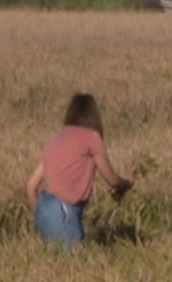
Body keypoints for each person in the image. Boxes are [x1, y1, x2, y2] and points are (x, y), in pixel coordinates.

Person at [25, 94, 134, 248]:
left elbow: (31, 186)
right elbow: (111, 179)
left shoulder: (57, 138)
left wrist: (40, 216)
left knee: (61, 258)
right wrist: (126, 183)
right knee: (72, 259)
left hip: (44, 205)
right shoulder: (91, 137)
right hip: (64, 209)